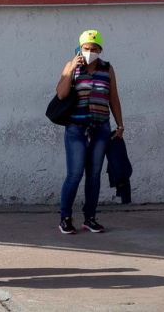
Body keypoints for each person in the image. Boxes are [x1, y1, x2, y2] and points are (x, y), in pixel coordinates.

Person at [55, 30, 124, 234]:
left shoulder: (107, 69)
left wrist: (120, 125)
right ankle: (65, 218)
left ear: (100, 50)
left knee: (94, 175)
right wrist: (71, 70)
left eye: (94, 49)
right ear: (80, 48)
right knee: (74, 174)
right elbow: (61, 94)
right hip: (76, 129)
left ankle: (90, 218)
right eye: (86, 48)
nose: (90, 51)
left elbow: (113, 98)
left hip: (101, 128)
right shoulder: (72, 66)